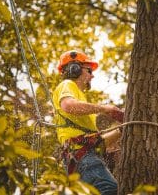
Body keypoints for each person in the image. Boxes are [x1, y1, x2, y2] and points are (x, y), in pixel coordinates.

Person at [52, 50, 123, 195]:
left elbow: (95, 143)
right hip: (81, 156)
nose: (92, 75)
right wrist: (105, 109)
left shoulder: (81, 99)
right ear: (75, 69)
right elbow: (69, 106)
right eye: (89, 70)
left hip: (83, 156)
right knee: (108, 188)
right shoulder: (68, 85)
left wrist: (122, 129)